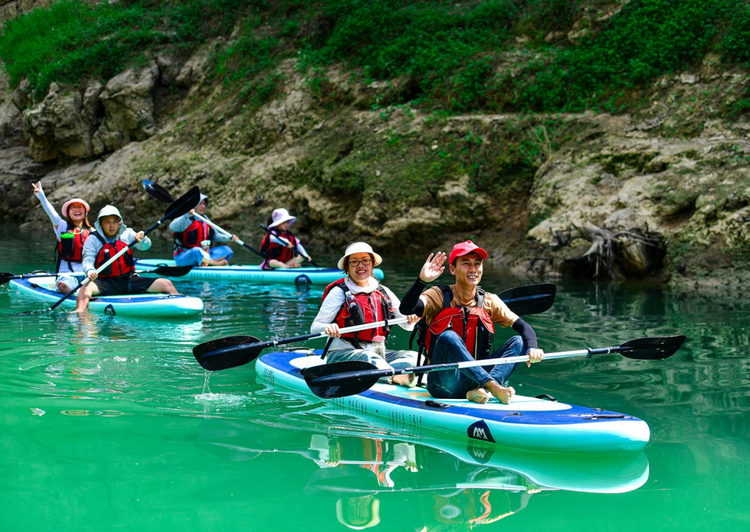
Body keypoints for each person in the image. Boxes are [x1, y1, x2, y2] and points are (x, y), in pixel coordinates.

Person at [399, 241, 544, 404]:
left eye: (477, 263)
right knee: (448, 337)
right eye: (466, 263)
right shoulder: (439, 295)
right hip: (444, 383)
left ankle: (481, 390)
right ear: (452, 269)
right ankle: (493, 387)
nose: (473, 269)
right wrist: (421, 281)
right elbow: (406, 308)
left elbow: (524, 327)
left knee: (519, 341)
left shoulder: (489, 300)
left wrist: (532, 347)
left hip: (475, 381)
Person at [310, 242, 418, 387]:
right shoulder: (339, 292)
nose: (360, 265)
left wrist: (411, 319)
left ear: (372, 264)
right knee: (369, 358)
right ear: (347, 268)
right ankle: (394, 378)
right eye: (354, 262)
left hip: (378, 354)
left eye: (365, 260)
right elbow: (315, 327)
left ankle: (391, 373)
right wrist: (328, 328)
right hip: (343, 355)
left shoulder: (383, 291)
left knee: (415, 357)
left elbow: (407, 326)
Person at [75, 205, 179, 312]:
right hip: (106, 282)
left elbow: (146, 246)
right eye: (107, 222)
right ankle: (80, 311)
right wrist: (90, 270)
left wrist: (142, 240)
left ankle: (179, 302)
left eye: (115, 221)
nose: (112, 226)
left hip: (129, 280)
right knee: (86, 287)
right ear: (100, 223)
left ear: (119, 222)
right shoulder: (93, 239)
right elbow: (88, 259)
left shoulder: (127, 233)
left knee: (166, 283)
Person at [32, 181, 92, 293]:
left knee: (96, 282)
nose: (77, 210)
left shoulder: (92, 232)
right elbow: (52, 214)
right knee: (68, 282)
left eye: (80, 207)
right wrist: (42, 197)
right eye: (73, 208)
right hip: (67, 274)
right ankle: (66, 288)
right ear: (68, 213)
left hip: (87, 273)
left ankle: (82, 290)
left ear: (85, 213)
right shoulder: (63, 227)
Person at [169, 193, 239, 267]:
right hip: (184, 257)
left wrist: (229, 237)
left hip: (203, 254)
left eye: (204, 204)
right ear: (195, 205)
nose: (203, 206)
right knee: (196, 251)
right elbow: (172, 227)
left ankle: (207, 262)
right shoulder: (186, 218)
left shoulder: (205, 218)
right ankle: (213, 263)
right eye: (200, 204)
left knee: (227, 250)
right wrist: (186, 215)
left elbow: (216, 235)